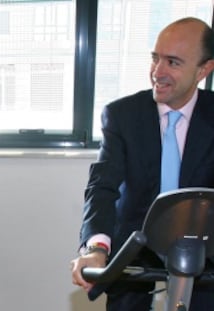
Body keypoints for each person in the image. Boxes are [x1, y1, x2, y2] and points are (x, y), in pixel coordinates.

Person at [71, 17, 214, 311]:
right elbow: (103, 186)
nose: (157, 72)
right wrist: (96, 248)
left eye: (173, 62)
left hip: (203, 249)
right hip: (136, 248)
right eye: (155, 58)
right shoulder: (123, 115)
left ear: (204, 69)